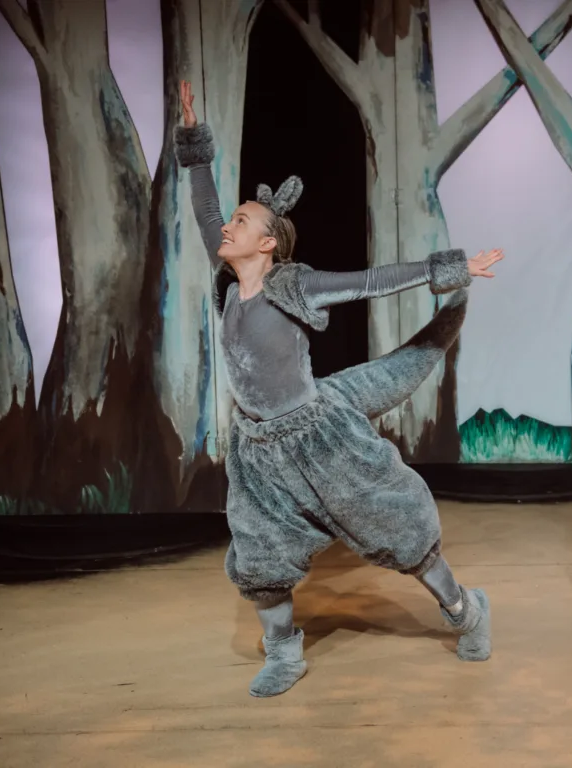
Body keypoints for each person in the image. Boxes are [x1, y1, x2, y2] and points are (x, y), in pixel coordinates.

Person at [173, 81, 502, 697]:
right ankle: (283, 652)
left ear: (267, 243)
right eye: (232, 220)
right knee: (260, 554)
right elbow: (204, 209)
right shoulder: (230, 281)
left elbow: (370, 280)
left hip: (322, 439)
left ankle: (466, 610)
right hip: (258, 449)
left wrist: (451, 268)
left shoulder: (292, 286)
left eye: (241, 221)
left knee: (394, 527)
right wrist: (194, 143)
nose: (227, 226)